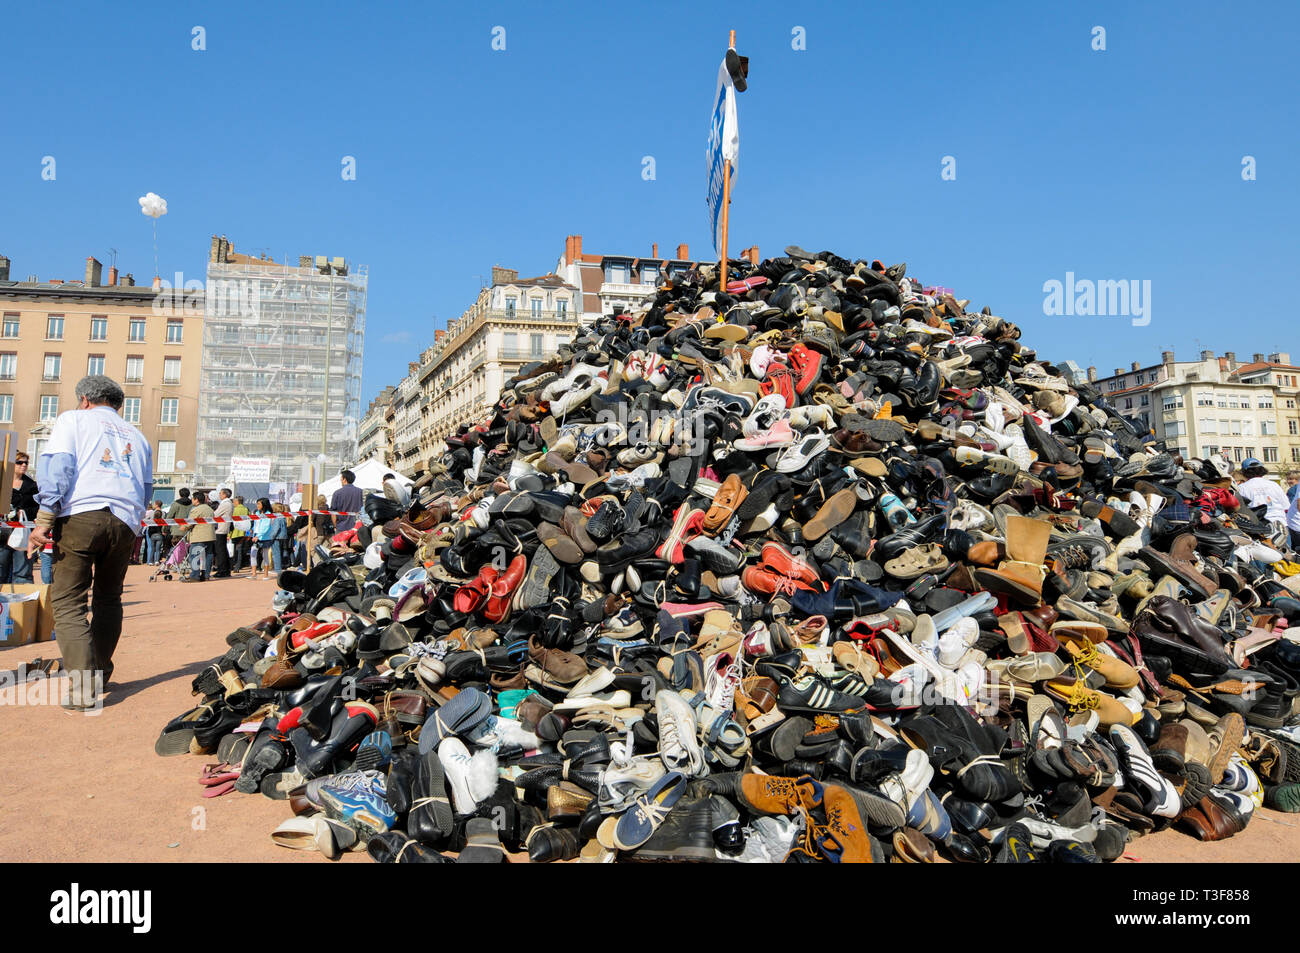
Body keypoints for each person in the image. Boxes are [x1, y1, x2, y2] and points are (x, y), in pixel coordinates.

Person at [28, 375, 152, 711]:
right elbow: (146, 488)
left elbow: (58, 469)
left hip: (81, 514)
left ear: (84, 399)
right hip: (125, 520)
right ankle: (100, 673)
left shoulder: (73, 420)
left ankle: (83, 688)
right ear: (117, 403)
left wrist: (44, 521)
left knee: (68, 602)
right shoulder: (138, 437)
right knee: (109, 599)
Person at [0, 451, 39, 583]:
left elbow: (37, 507)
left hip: (23, 532)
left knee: (22, 572)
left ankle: (22, 601)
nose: (24, 465)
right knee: (1, 569)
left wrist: (22, 511)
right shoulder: (3, 483)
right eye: (20, 462)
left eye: (26, 463)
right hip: (3, 532)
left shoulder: (32, 486)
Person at [1237, 458, 1291, 548]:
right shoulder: (1273, 485)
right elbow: (1286, 506)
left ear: (1244, 472)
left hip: (1260, 529)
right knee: (1288, 558)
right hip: (1281, 525)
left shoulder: (1242, 488)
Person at [292, 494, 334, 567]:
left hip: (319, 533)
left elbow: (311, 521)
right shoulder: (328, 509)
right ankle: (327, 565)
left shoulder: (316, 510)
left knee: (315, 551)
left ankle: (317, 566)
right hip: (329, 532)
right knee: (327, 549)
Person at [184, 490, 216, 582]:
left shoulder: (196, 509)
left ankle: (195, 576)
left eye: (193, 499)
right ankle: (206, 575)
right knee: (208, 556)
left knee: (194, 556)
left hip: (199, 536)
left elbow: (190, 522)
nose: (192, 501)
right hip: (210, 535)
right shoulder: (209, 509)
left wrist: (183, 527)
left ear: (196, 500)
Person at [252, 498, 284, 579]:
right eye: (257, 504)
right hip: (256, 536)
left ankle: (266, 574)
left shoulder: (268, 514)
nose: (257, 505)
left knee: (265, 555)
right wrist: (253, 533)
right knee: (253, 553)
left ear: (264, 505)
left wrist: (258, 536)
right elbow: (255, 524)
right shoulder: (256, 513)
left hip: (265, 537)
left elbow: (266, 527)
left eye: (259, 504)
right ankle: (253, 573)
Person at [330, 469, 363, 533]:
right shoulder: (360, 492)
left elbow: (333, 512)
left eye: (341, 479)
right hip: (356, 527)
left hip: (341, 528)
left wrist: (335, 526)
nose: (340, 481)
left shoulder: (337, 493)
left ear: (344, 479)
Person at [212, 488, 234, 578]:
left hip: (221, 529)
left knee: (220, 551)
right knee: (223, 550)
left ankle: (222, 570)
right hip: (222, 528)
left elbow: (215, 514)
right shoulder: (227, 503)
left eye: (220, 493)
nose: (219, 495)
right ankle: (226, 569)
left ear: (225, 495)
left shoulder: (226, 504)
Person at [230, 496, 251, 572]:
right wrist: (248, 534)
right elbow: (249, 522)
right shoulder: (246, 509)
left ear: (237, 502)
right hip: (244, 532)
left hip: (235, 533)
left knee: (234, 550)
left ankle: (235, 566)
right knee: (240, 550)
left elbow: (231, 522)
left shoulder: (234, 510)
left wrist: (229, 534)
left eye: (234, 502)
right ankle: (238, 566)